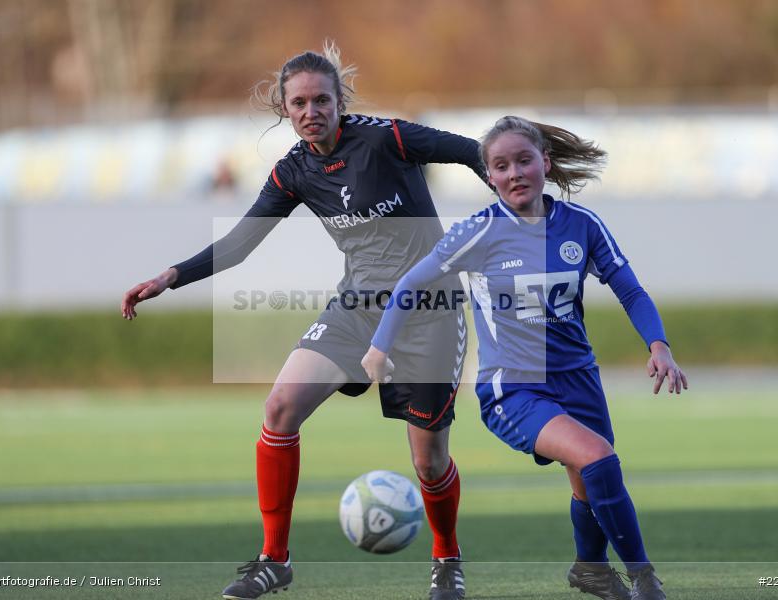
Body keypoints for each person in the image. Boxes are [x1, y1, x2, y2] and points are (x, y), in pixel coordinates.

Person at [121, 41, 487, 600]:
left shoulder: (387, 137)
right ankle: (274, 559)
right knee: (279, 406)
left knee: (429, 461)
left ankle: (446, 559)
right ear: (284, 109)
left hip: (428, 314)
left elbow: (470, 151)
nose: (310, 111)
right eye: (299, 103)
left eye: (321, 99)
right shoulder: (293, 171)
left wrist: (519, 205)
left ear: (340, 101)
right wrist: (171, 276)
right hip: (358, 308)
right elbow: (241, 244)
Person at [362, 115, 688, 600]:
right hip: (513, 387)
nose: (514, 172)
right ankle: (644, 579)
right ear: (489, 176)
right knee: (599, 458)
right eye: (501, 165)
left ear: (545, 163)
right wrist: (378, 346)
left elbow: (629, 289)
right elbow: (412, 283)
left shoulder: (582, 224)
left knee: (587, 480)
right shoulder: (480, 232)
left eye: (523, 160)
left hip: (579, 379)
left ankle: (592, 568)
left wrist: (658, 346)